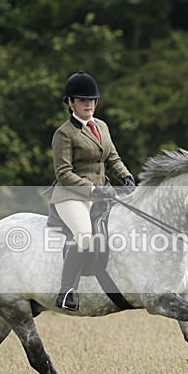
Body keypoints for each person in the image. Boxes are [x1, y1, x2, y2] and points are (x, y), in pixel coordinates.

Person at [50, 71, 136, 311]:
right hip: (72, 196)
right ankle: (66, 291)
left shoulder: (102, 126)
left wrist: (126, 176)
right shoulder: (64, 134)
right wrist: (93, 190)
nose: (88, 104)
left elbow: (113, 158)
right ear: (70, 103)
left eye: (92, 100)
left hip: (102, 192)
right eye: (82, 100)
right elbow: (63, 173)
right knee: (84, 236)